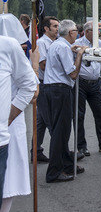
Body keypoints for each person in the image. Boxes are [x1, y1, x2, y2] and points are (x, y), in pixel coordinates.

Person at [0, 13, 38, 212]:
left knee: (8, 177)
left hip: (10, 120)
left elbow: (29, 88)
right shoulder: (12, 51)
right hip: (10, 122)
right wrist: (34, 64)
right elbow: (34, 92)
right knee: (9, 178)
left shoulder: (10, 51)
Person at [44, 19, 87, 183]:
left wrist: (73, 51)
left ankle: (67, 164)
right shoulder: (62, 46)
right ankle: (54, 171)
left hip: (54, 89)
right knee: (60, 132)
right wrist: (79, 55)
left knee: (61, 130)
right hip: (59, 90)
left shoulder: (59, 44)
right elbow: (73, 73)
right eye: (76, 30)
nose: (77, 33)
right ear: (71, 33)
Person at [75, 21, 101, 156]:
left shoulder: (99, 44)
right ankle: (81, 146)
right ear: (87, 32)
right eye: (96, 30)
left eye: (100, 29)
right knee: (79, 115)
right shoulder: (77, 44)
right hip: (81, 82)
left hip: (95, 83)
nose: (99, 32)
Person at [31, 16, 59, 163]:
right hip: (44, 84)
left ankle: (36, 151)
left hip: (48, 83)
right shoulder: (42, 43)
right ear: (46, 28)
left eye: (58, 26)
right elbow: (42, 65)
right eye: (54, 26)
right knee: (51, 121)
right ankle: (60, 154)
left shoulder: (55, 42)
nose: (57, 29)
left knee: (41, 121)